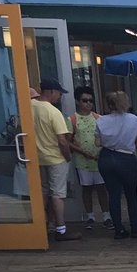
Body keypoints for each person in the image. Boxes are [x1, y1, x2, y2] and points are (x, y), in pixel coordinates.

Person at [95, 91, 137, 239]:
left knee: (113, 194)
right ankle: (135, 228)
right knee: (131, 194)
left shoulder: (101, 120)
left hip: (106, 157)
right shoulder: (134, 120)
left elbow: (97, 142)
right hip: (125, 157)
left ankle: (119, 229)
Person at [33, 78, 77, 240]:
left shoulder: (29, 107)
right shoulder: (53, 112)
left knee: (43, 192)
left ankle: (43, 225)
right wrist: (67, 157)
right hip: (55, 158)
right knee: (58, 194)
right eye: (58, 93)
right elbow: (62, 140)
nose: (59, 97)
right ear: (51, 92)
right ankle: (61, 229)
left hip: (36, 158)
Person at [68, 86, 111, 230]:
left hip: (98, 158)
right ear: (78, 101)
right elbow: (68, 140)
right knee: (86, 188)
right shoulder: (72, 119)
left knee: (102, 188)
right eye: (84, 100)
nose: (88, 103)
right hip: (82, 160)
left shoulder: (99, 118)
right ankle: (90, 216)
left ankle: (106, 215)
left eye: (90, 101)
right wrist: (82, 152)